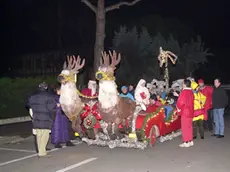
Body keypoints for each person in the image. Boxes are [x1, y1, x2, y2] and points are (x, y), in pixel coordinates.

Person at [27, 82, 56, 158]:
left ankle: (40, 151)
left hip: (36, 117)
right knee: (45, 135)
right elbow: (52, 108)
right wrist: (53, 117)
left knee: (39, 135)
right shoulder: (48, 96)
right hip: (46, 118)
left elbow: (28, 105)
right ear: (46, 87)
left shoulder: (32, 96)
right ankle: (42, 153)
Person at [176, 79, 194, 148]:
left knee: (184, 127)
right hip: (191, 111)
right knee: (189, 126)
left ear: (185, 84)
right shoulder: (191, 92)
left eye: (183, 83)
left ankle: (186, 141)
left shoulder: (184, 92)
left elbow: (181, 102)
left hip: (185, 112)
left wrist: (178, 108)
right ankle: (190, 140)